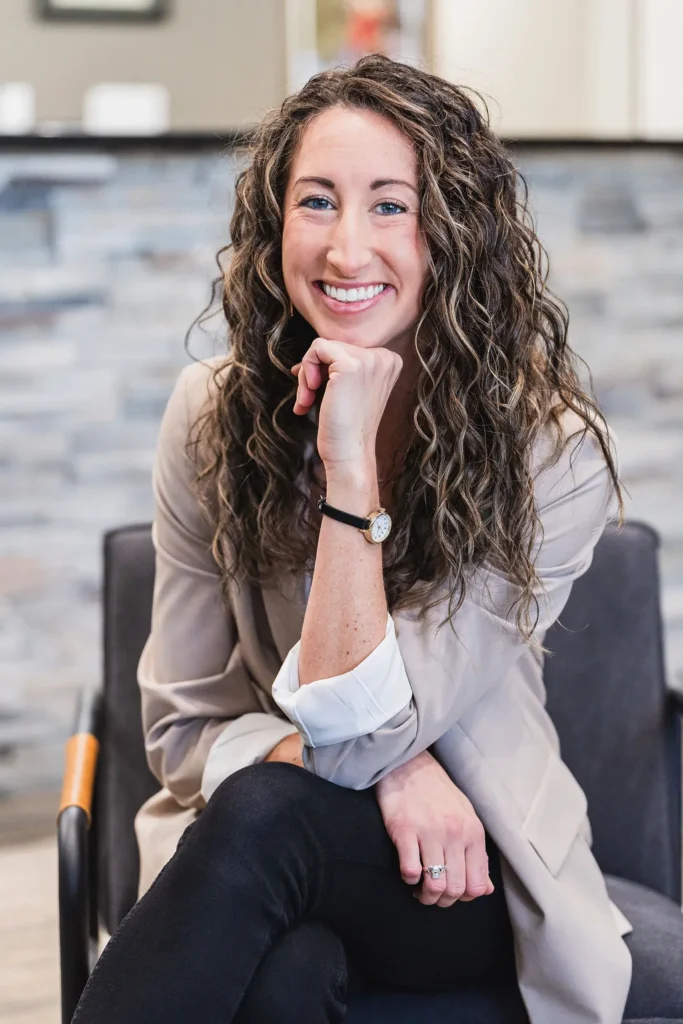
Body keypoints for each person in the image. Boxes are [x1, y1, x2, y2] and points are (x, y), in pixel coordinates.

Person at [73, 53, 654, 1024]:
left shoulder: (549, 456)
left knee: (262, 818)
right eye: (316, 201)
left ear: (455, 233)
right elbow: (180, 732)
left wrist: (350, 469)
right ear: (273, 227)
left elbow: (360, 730)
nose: (346, 249)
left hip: (460, 863)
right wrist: (399, 767)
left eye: (390, 205)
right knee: (281, 977)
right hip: (283, 842)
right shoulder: (210, 417)